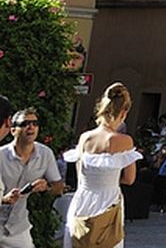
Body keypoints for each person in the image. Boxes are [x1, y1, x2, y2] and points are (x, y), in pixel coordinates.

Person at [62, 82, 141, 248]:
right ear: (124, 112)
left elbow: (79, 173)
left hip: (82, 197)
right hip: (108, 199)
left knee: (78, 239)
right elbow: (129, 178)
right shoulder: (124, 141)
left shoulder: (85, 137)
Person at [0, 108, 65, 248]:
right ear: (13, 130)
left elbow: (59, 187)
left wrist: (46, 187)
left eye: (35, 123)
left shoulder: (45, 154)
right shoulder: (1, 155)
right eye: (25, 124)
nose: (31, 127)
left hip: (18, 226)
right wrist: (4, 199)